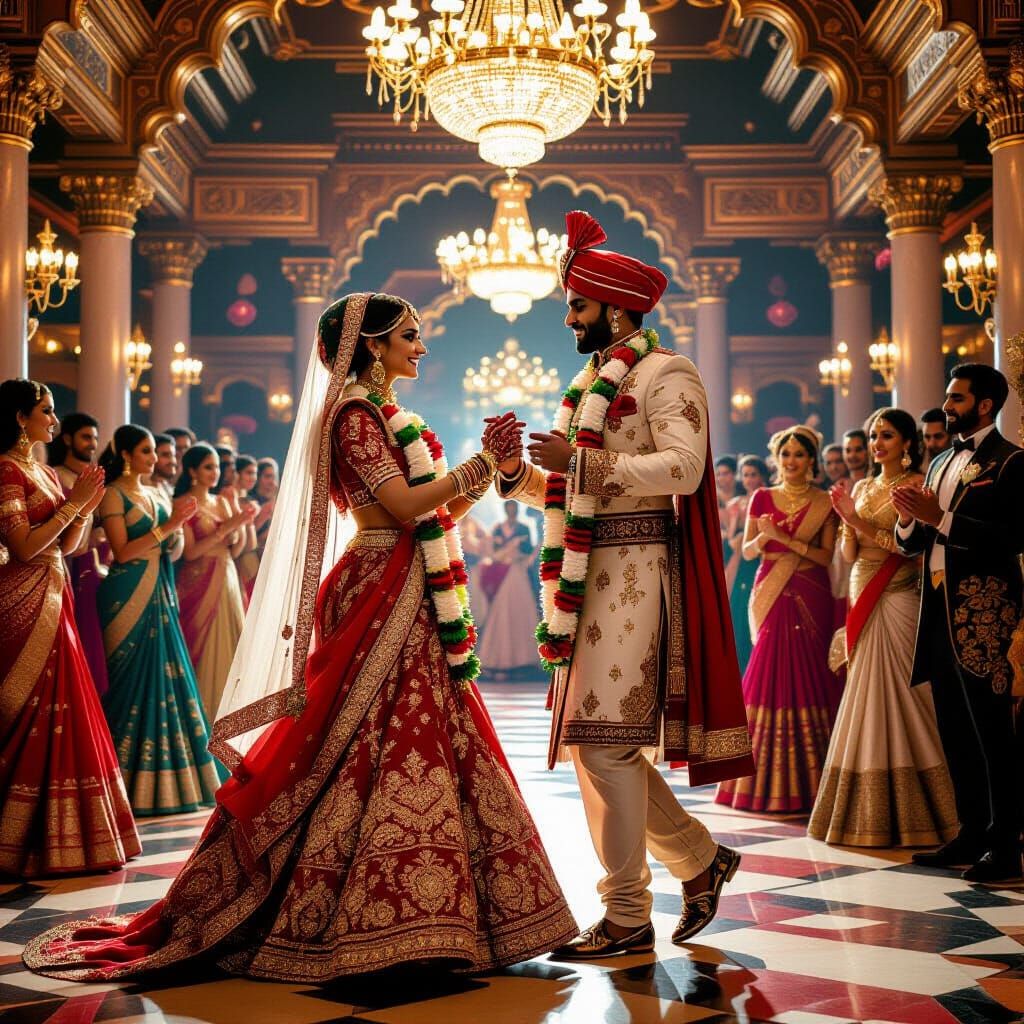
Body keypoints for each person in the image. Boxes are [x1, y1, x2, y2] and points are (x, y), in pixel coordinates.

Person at [24, 292, 576, 982]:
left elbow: (433, 517)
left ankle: (441, 912)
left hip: (410, 580)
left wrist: (488, 471)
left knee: (426, 725)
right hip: (376, 582)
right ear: (372, 345)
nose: (421, 347)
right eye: (410, 335)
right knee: (347, 733)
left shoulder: (390, 416)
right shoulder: (352, 415)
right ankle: (360, 906)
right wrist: (469, 468)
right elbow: (401, 506)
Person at [498, 211, 753, 958]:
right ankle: (698, 863)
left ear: (614, 308)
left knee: (604, 746)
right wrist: (517, 473)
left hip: (639, 570)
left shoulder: (666, 373)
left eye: (577, 305)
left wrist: (581, 463)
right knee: (598, 745)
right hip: (590, 576)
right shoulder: (591, 382)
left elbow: (686, 469)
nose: (568, 319)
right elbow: (570, 493)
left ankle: (628, 915)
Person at [0, 379, 140, 877]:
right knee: (28, 710)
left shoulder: (42, 470)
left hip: (56, 595)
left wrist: (83, 507)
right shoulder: (6, 470)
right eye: (46, 411)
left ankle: (70, 840)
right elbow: (23, 546)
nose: (55, 420)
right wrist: (72, 505)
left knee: (67, 704)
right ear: (21, 418)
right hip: (21, 601)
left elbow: (71, 546)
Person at [893, 364, 1024, 883]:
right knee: (954, 728)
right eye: (948, 398)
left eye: (957, 399)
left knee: (994, 732)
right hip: (937, 612)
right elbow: (914, 543)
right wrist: (908, 518)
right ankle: (970, 832)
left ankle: (1006, 845)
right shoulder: (941, 461)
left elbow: (1012, 537)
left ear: (985, 405)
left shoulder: (1011, 462)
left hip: (985, 615)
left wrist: (940, 518)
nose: (947, 406)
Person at [809, 408, 957, 847]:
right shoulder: (862, 486)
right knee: (865, 694)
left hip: (898, 596)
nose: (877, 443)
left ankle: (935, 809)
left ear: (908, 443)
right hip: (861, 594)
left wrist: (855, 520)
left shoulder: (917, 486)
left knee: (908, 694)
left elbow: (909, 551)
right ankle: (862, 812)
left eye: (887, 435)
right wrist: (846, 522)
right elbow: (849, 555)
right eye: (874, 435)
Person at [96, 426, 223, 816]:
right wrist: (170, 526)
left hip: (161, 588)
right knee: (128, 681)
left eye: (155, 451)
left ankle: (168, 787)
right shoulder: (113, 494)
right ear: (125, 454)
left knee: (165, 676)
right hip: (127, 592)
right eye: (146, 451)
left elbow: (174, 547)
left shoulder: (156, 493)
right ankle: (115, 783)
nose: (154, 458)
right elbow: (122, 551)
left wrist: (177, 530)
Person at [716, 426, 842, 813]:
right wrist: (761, 538)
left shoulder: (823, 501)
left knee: (810, 669)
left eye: (799, 454)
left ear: (811, 460)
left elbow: (825, 557)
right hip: (769, 588)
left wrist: (783, 538)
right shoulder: (762, 497)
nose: (791, 461)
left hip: (811, 591)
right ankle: (755, 783)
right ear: (776, 458)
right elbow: (749, 551)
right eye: (785, 454)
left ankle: (815, 780)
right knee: (767, 668)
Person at [174, 443, 255, 721]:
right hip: (199, 580)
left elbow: (236, 547)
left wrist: (238, 522)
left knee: (231, 637)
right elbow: (190, 552)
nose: (215, 472)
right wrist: (226, 529)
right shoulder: (183, 504)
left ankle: (230, 712)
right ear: (192, 471)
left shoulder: (221, 501)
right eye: (208, 467)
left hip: (227, 575)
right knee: (203, 643)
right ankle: (200, 716)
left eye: (217, 467)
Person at [48, 411, 110, 697]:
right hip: (62, 565)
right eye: (86, 437)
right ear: (68, 439)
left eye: (95, 438)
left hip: (88, 569)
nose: (92, 444)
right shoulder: (55, 476)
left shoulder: (92, 481)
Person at [478, 500, 538, 674]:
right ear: (505, 510)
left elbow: (528, 550)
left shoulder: (524, 528)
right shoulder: (498, 529)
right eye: (509, 509)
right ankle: (499, 657)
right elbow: (493, 552)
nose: (512, 512)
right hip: (502, 573)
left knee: (521, 609)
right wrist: (505, 550)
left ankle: (524, 659)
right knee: (501, 609)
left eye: (514, 509)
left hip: (518, 571)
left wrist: (518, 550)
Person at [724, 455, 769, 675]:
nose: (749, 479)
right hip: (742, 561)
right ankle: (743, 670)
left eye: (753, 474)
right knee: (740, 609)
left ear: (762, 476)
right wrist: (738, 524)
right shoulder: (737, 504)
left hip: (763, 559)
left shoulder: (769, 498)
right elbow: (732, 539)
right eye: (745, 475)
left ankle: (761, 667)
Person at [232, 454, 261, 606]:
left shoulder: (249, 501)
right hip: (235, 560)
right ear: (237, 473)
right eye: (248, 473)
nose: (253, 478)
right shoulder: (231, 500)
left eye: (255, 473)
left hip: (248, 559)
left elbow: (251, 545)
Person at [251, 456, 278, 557]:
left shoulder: (277, 499)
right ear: (257, 477)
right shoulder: (250, 500)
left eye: (274, 477)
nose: (272, 481)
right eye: (267, 476)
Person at [150, 432, 178, 502]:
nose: (172, 461)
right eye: (165, 455)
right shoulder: (144, 490)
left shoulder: (170, 490)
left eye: (173, 455)